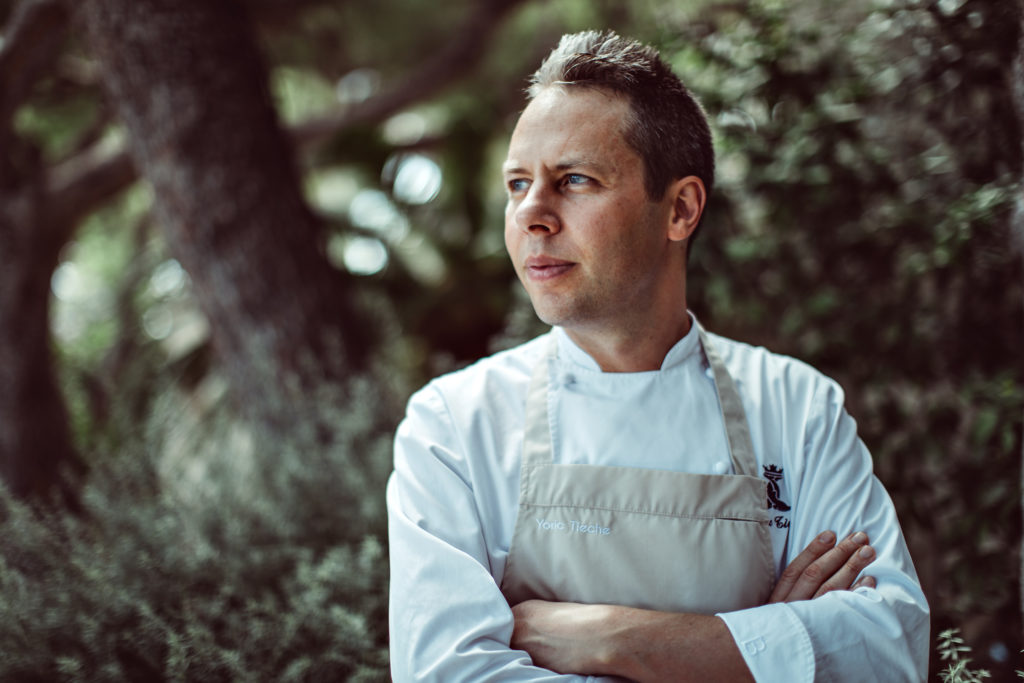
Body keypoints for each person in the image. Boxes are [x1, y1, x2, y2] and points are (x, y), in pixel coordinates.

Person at [387, 30, 929, 682]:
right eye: (518, 184)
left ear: (680, 208)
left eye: (575, 180)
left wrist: (618, 640)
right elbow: (447, 673)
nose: (531, 214)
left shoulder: (797, 407)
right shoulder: (452, 426)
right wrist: (763, 649)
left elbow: (888, 648)